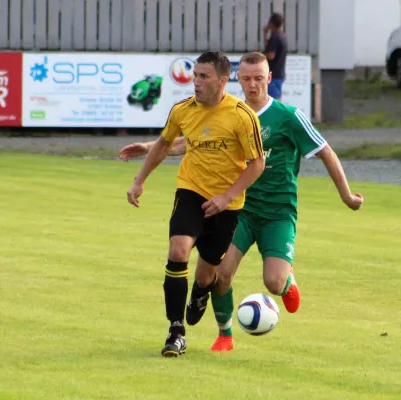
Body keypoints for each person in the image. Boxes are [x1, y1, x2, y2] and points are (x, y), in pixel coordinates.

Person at [120, 52, 363, 352]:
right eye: (246, 79)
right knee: (220, 274)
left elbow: (325, 151)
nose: (252, 85)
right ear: (237, 79)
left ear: (269, 79)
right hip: (241, 209)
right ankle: (225, 334)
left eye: (259, 78)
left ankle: (287, 280)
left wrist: (346, 195)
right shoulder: (229, 113)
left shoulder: (287, 116)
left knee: (273, 283)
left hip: (277, 211)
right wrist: (148, 147)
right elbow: (193, 140)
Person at [125, 51, 265, 358]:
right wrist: (139, 180)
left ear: (222, 81)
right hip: (191, 191)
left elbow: (257, 164)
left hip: (227, 204)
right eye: (195, 75)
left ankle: (200, 293)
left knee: (205, 275)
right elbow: (164, 144)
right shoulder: (182, 110)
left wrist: (227, 196)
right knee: (178, 252)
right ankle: (176, 332)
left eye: (204, 77)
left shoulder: (243, 116)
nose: (196, 82)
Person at [263, 13, 288, 101]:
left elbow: (271, 55)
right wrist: (265, 34)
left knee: (274, 100)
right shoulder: (282, 36)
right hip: (279, 73)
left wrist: (259, 54)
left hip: (274, 74)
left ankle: (277, 115)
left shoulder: (275, 37)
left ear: (271, 23)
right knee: (276, 97)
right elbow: (269, 46)